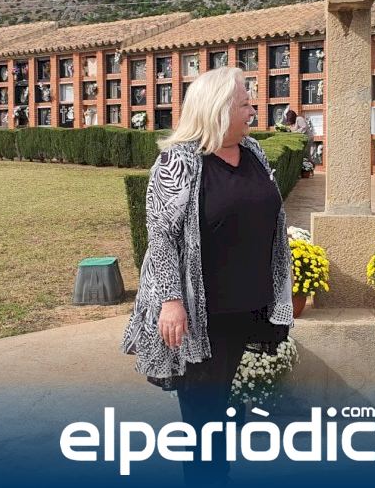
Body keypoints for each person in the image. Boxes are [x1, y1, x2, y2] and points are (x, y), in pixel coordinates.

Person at [122, 66, 294, 486]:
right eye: (245, 104)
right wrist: (170, 301)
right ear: (218, 109)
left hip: (245, 305)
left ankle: (217, 475)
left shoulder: (253, 151)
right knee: (202, 412)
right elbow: (161, 237)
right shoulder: (178, 161)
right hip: (199, 314)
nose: (253, 111)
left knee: (220, 406)